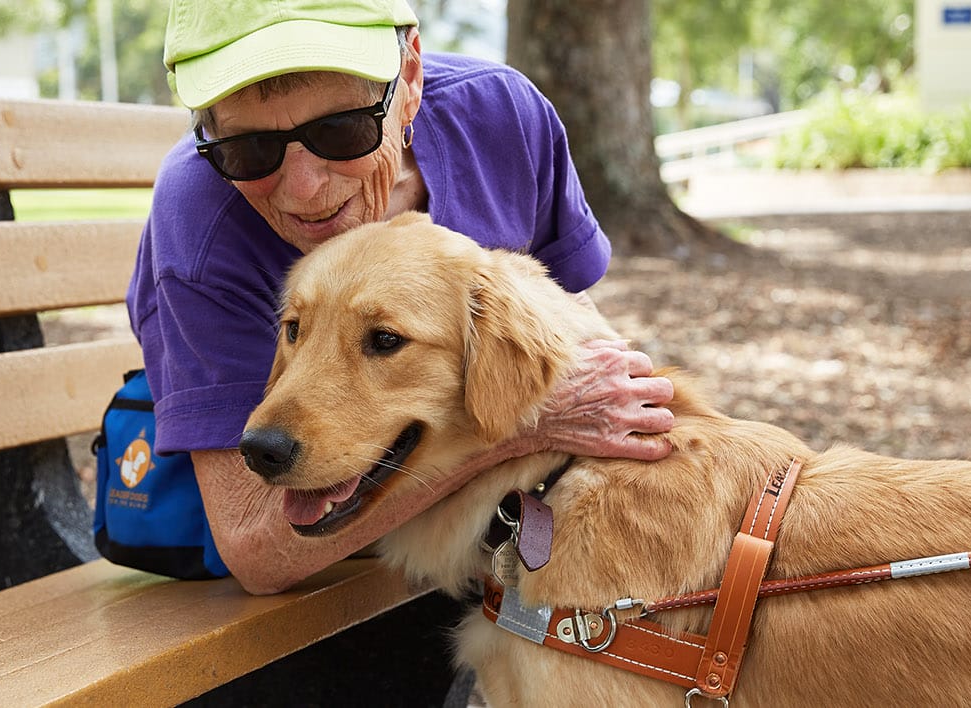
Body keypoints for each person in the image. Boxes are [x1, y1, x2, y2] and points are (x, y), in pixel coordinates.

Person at [130, 0, 676, 595]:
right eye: (249, 149)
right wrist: (530, 422)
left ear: (409, 77)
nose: (306, 189)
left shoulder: (501, 118)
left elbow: (587, 347)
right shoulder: (198, 216)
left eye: (343, 130)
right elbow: (253, 544)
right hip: (304, 545)